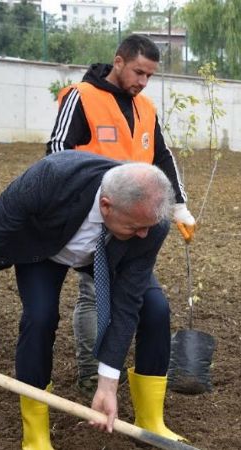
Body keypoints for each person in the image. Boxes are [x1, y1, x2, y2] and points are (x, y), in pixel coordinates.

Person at [0, 151, 186, 449]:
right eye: (136, 227)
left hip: (109, 254)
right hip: (44, 250)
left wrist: (107, 383)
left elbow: (126, 303)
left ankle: (150, 423)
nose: (145, 234)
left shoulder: (150, 222)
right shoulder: (51, 178)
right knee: (40, 317)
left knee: (156, 309)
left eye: (148, 226)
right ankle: (36, 435)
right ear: (106, 206)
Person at [46, 33, 195, 396]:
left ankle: (113, 370)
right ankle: (90, 372)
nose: (143, 82)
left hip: (136, 217)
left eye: (150, 76)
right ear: (118, 62)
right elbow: (57, 151)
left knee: (138, 296)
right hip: (94, 215)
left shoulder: (145, 107)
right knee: (93, 291)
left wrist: (178, 205)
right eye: (138, 72)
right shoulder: (82, 97)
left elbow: (162, 157)